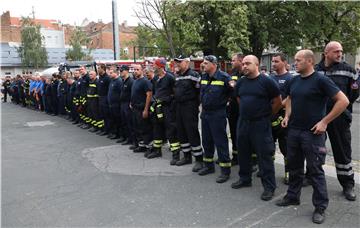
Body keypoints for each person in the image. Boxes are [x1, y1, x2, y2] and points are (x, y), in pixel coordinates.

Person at [276, 49, 349, 224]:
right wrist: (287, 116)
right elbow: (290, 99)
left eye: (298, 60)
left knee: (315, 171)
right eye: (294, 60)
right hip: (294, 131)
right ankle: (293, 196)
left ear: (309, 61)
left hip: (312, 134)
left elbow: (343, 101)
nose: (295, 63)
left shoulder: (321, 80)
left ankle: (320, 207)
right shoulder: (294, 80)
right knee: (294, 166)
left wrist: (325, 121)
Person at [232, 55, 282, 201]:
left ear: (257, 65)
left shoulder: (267, 82)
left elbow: (278, 102)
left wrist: (266, 115)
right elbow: (239, 98)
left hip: (261, 123)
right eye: (243, 64)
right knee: (243, 151)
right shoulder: (241, 82)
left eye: (248, 63)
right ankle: (245, 179)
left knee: (264, 155)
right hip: (243, 122)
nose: (244, 66)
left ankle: (269, 187)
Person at [315, 41, 359, 201]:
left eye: (341, 51)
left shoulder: (348, 70)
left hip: (340, 118)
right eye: (336, 51)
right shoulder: (316, 70)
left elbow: (353, 94)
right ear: (326, 53)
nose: (340, 54)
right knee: (315, 148)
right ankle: (311, 176)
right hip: (318, 117)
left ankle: (348, 184)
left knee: (342, 151)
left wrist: (341, 109)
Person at [198, 55, 234, 183]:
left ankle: (225, 171)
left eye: (206, 63)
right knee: (206, 140)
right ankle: (208, 166)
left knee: (220, 142)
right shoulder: (203, 77)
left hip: (217, 114)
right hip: (205, 113)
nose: (203, 65)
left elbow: (234, 92)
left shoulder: (224, 77)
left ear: (214, 64)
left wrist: (227, 102)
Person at [145, 58, 180, 161]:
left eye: (154, 65)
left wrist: (167, 100)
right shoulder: (155, 78)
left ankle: (175, 154)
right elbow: (155, 92)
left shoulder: (170, 78)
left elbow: (175, 93)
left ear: (160, 66)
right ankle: (157, 150)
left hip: (167, 108)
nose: (153, 67)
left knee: (171, 130)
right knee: (157, 129)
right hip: (157, 108)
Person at [173, 55, 203, 171]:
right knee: (181, 132)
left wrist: (197, 106)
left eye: (179, 62)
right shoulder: (178, 76)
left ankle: (199, 159)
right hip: (179, 106)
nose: (177, 64)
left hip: (190, 107)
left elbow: (199, 92)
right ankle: (186, 156)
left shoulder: (194, 75)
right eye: (176, 62)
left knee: (192, 132)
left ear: (186, 62)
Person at [270, 53, 293, 184]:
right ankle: (268, 171)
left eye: (276, 61)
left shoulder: (290, 78)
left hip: (284, 117)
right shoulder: (270, 77)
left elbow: (291, 97)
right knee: (269, 147)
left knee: (286, 148)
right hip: (271, 116)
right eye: (272, 61)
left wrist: (278, 106)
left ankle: (288, 173)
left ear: (284, 62)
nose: (273, 64)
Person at [130, 64, 153, 153]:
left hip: (142, 108)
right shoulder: (135, 81)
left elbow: (149, 95)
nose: (135, 71)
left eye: (137, 69)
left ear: (142, 71)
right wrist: (131, 103)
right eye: (134, 70)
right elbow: (134, 94)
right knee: (138, 128)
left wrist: (146, 109)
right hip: (135, 108)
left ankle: (149, 147)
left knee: (145, 129)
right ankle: (142, 145)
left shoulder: (145, 81)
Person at [227, 53, 244, 166]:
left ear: (240, 61)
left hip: (243, 109)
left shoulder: (246, 73)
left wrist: (235, 86)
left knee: (243, 134)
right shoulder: (233, 73)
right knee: (233, 133)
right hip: (232, 108)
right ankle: (236, 157)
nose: (232, 62)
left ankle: (250, 160)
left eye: (234, 60)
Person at [119, 65, 135, 145]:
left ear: (126, 71)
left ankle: (131, 140)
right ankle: (126, 137)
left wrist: (131, 103)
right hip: (122, 104)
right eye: (120, 71)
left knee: (129, 123)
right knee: (124, 122)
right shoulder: (123, 80)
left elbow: (132, 94)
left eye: (122, 71)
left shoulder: (131, 81)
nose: (120, 72)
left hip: (128, 104)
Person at [107, 67, 123, 139]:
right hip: (111, 104)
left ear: (116, 73)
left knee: (118, 120)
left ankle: (119, 134)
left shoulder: (119, 81)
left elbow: (121, 93)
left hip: (116, 105)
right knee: (113, 119)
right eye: (109, 73)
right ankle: (114, 133)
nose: (109, 74)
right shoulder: (112, 81)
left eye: (111, 73)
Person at [97, 64, 111, 136]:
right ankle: (104, 129)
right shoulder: (100, 77)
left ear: (103, 69)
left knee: (107, 115)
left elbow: (109, 90)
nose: (98, 69)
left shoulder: (107, 78)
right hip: (100, 98)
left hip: (105, 98)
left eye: (99, 68)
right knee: (102, 115)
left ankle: (108, 130)